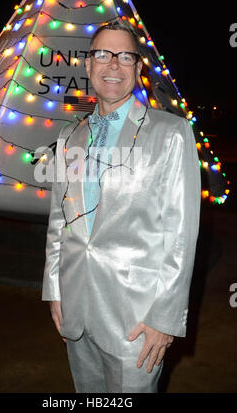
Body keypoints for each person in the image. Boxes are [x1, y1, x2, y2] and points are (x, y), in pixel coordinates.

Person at [41, 20, 201, 393]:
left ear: (138, 69)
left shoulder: (171, 133)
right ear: (88, 66)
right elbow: (58, 223)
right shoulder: (69, 136)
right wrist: (54, 289)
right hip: (75, 307)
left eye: (125, 56)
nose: (113, 64)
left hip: (136, 321)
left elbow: (181, 236)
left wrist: (165, 318)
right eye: (102, 54)